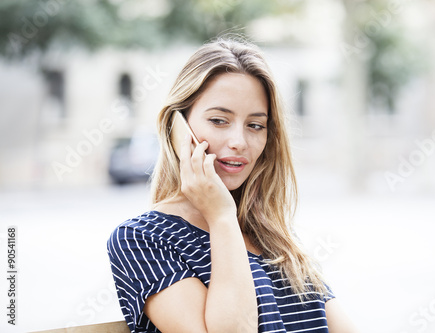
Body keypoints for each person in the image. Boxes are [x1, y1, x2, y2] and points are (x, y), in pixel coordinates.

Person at [107, 36, 358, 333]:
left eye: (255, 125)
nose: (239, 142)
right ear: (178, 128)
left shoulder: (274, 237)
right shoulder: (143, 240)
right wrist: (221, 216)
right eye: (219, 120)